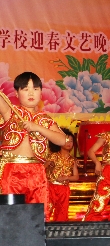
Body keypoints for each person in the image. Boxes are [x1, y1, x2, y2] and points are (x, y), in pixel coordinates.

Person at [0, 72, 67, 218]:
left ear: (41, 93)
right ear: (16, 93)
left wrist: (38, 128)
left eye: (35, 89)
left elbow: (63, 140)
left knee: (38, 217)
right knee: (11, 217)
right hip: (12, 171)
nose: (31, 93)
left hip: (37, 173)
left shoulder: (45, 119)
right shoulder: (10, 112)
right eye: (25, 89)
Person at [46, 128, 79, 221]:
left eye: (71, 141)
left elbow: (76, 177)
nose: (69, 143)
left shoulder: (72, 160)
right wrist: (48, 165)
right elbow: (42, 168)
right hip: (51, 187)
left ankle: (60, 228)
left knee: (62, 213)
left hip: (64, 189)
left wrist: (66, 177)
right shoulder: (52, 156)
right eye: (66, 140)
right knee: (47, 210)